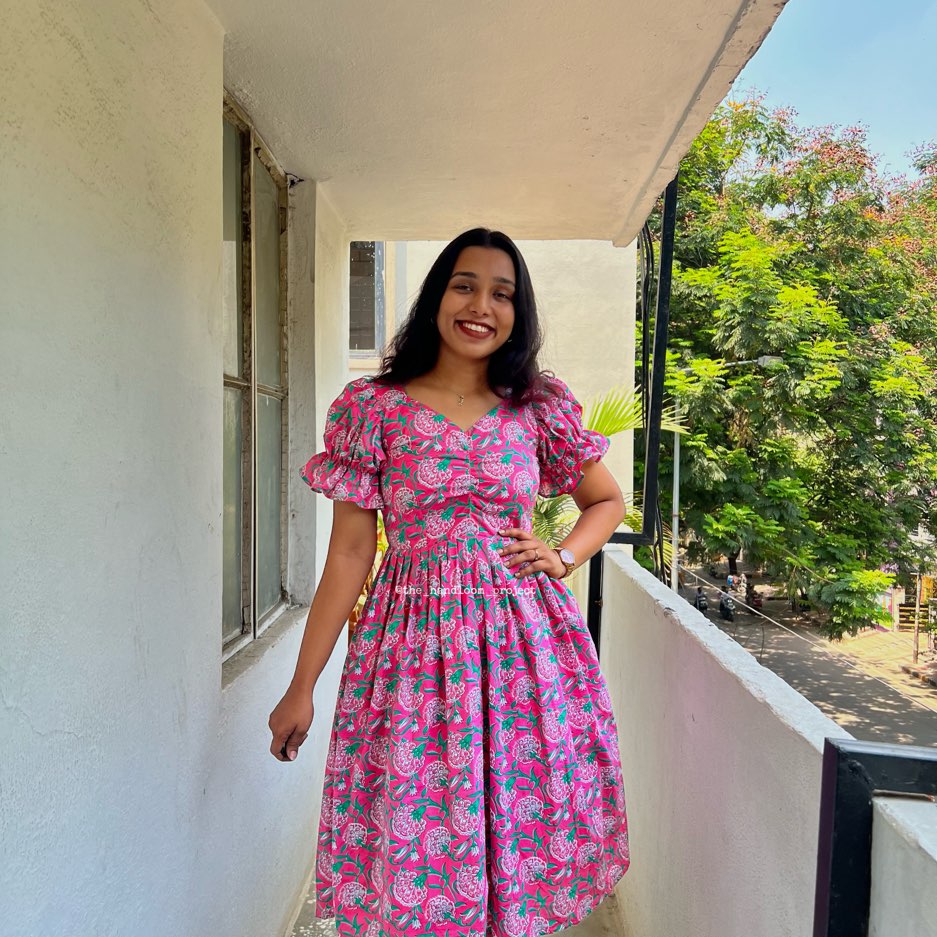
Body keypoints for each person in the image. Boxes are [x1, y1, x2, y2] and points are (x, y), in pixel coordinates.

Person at [268, 229, 631, 937]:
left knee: (518, 829)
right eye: (464, 284)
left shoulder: (538, 404)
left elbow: (605, 500)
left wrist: (561, 556)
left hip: (522, 648)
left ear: (517, 312)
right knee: (418, 833)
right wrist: (301, 684)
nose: (481, 306)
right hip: (409, 651)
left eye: (502, 293)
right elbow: (348, 554)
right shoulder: (372, 408)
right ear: (437, 294)